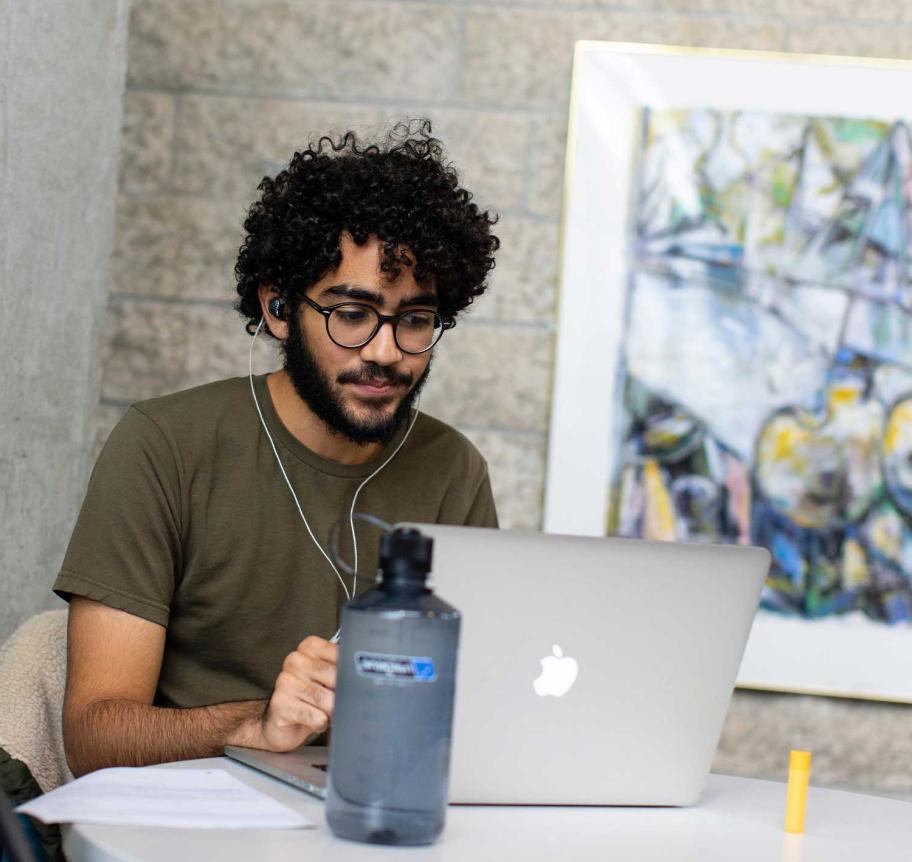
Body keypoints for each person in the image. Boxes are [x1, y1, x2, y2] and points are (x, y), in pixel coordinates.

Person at [53, 119, 500, 777]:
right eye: (352, 314)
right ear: (280, 308)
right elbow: (94, 736)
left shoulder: (453, 471)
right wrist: (255, 724)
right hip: (190, 825)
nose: (385, 352)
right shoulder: (164, 446)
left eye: (415, 320)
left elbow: (482, 705)